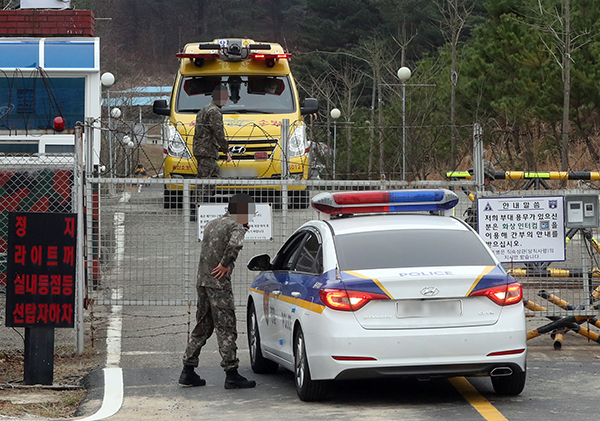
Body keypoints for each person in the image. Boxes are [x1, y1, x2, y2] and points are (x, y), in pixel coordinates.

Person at [179, 193, 257, 389]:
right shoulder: (236, 226)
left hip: (203, 282)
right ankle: (232, 373)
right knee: (226, 327)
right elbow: (234, 244)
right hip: (218, 284)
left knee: (203, 325)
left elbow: (220, 242)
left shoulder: (213, 224)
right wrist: (225, 264)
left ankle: (188, 369)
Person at [193, 84, 232, 178]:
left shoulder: (204, 109)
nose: (227, 99)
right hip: (207, 151)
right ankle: (201, 193)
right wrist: (226, 150)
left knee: (214, 175)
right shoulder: (215, 112)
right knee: (205, 180)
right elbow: (219, 133)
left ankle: (205, 193)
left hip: (201, 149)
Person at [465, 160, 496, 229]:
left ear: (486, 179)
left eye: (476, 175)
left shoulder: (489, 195)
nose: (473, 178)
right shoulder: (480, 192)